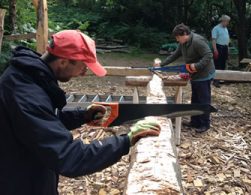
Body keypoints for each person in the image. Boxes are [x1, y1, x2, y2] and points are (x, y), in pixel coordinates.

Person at [0, 30, 160, 195]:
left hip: (28, 176)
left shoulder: (28, 78)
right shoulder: (25, 93)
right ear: (63, 62)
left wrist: (82, 116)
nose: (84, 73)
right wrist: (126, 141)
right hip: (18, 184)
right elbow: (67, 156)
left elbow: (43, 120)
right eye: (83, 66)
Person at [154, 24, 215, 133]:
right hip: (195, 74)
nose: (177, 40)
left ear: (185, 34)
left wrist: (197, 66)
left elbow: (208, 55)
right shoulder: (183, 43)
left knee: (203, 100)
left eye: (178, 37)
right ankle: (195, 121)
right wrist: (161, 65)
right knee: (195, 98)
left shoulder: (197, 41)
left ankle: (205, 124)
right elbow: (175, 55)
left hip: (204, 74)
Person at [211, 15, 231, 88]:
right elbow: (213, 40)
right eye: (227, 21)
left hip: (225, 47)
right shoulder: (216, 28)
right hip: (218, 47)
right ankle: (215, 81)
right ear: (223, 21)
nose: (228, 23)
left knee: (223, 64)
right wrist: (215, 50)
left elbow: (227, 40)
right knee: (218, 64)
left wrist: (228, 50)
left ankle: (220, 79)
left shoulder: (226, 29)